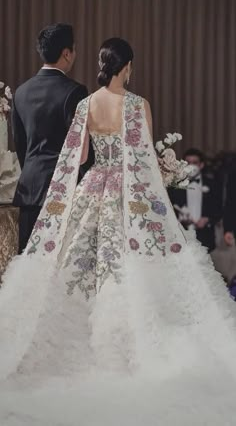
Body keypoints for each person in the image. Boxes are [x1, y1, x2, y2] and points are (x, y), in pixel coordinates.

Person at [0, 38, 236, 425]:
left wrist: (68, 199)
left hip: (92, 188)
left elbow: (73, 159)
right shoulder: (137, 105)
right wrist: (162, 193)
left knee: (80, 262)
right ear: (127, 66)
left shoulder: (85, 104)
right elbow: (142, 165)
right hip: (127, 192)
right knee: (130, 261)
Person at [11, 23, 94, 253]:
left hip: (29, 189)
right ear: (66, 53)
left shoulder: (21, 91)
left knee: (28, 262)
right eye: (74, 50)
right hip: (62, 190)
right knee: (58, 264)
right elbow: (82, 147)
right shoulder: (75, 91)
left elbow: (20, 144)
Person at [168, 148, 222, 252]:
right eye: (188, 162)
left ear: (201, 165)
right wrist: (179, 219)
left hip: (205, 237)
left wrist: (207, 220)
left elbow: (219, 209)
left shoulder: (213, 184)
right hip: (181, 236)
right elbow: (169, 210)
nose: (191, 165)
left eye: (195, 162)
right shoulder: (174, 186)